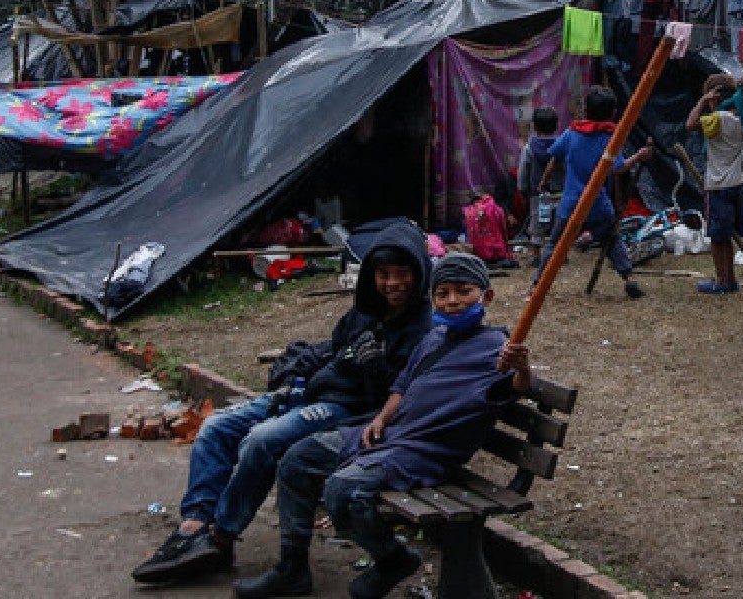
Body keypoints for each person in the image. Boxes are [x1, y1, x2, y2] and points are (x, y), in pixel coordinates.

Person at [130, 222, 433, 584]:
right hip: (311, 394)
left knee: (261, 440)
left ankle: (219, 537)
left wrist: (376, 368)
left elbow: (401, 394)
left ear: (419, 274)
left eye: (403, 274)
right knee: (215, 428)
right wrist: (298, 364)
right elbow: (334, 350)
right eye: (384, 274)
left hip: (347, 410)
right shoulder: (365, 311)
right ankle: (193, 527)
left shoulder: (422, 330)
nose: (393, 283)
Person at [231, 253, 531, 599]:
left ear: (486, 297)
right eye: (443, 293)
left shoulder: (497, 350)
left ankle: (392, 559)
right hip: (392, 436)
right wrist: (380, 419)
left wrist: (521, 367)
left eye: (463, 292)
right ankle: (291, 569)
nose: (452, 302)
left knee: (343, 489)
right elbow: (402, 387)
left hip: (425, 452)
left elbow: (513, 387)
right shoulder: (433, 339)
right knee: (298, 459)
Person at [534, 85, 654, 299]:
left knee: (554, 244)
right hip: (598, 205)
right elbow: (618, 168)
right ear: (612, 113)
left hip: (571, 204)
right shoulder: (609, 138)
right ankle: (629, 277)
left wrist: (544, 181)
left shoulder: (572, 133)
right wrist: (639, 156)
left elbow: (554, 158)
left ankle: (538, 285)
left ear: (586, 110)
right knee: (612, 240)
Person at [685, 73, 743, 293]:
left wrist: (703, 101)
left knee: (717, 237)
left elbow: (690, 124)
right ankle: (729, 279)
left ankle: (721, 281)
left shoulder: (717, 119)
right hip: (738, 182)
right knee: (728, 235)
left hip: (718, 185)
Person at [516, 105, 563, 262]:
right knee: (560, 223)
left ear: (535, 127)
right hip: (560, 192)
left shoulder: (529, 148)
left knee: (537, 224)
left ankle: (536, 255)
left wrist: (523, 190)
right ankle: (560, 254)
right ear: (556, 126)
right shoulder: (562, 146)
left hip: (538, 193)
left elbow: (523, 171)